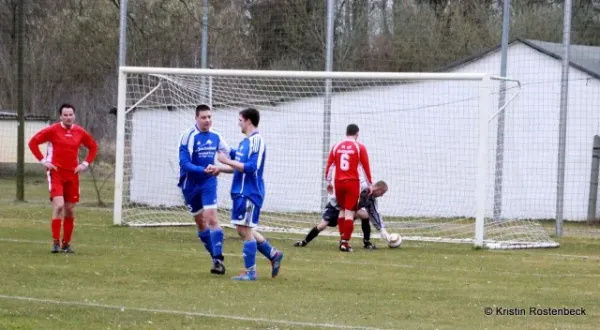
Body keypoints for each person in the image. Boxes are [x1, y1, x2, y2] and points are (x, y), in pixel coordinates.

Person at [213, 108, 284, 281]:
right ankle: (273, 254)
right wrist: (219, 168)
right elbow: (237, 168)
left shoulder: (257, 141)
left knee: (245, 230)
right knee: (243, 229)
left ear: (248, 121)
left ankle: (251, 272)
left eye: (240, 120)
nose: (238, 123)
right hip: (240, 192)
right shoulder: (244, 143)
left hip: (250, 192)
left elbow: (252, 168)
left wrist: (226, 160)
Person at [28, 103, 98, 254]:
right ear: (60, 116)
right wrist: (43, 161)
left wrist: (85, 163)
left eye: (70, 115)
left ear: (74, 116)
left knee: (70, 209)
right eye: (65, 115)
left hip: (72, 174)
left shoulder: (80, 132)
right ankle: (55, 242)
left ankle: (66, 244)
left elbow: (93, 147)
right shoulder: (52, 130)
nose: (68, 117)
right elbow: (33, 142)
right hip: (56, 173)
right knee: (59, 206)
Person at [178, 104, 230, 275]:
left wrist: (243, 159)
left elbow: (229, 153)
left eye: (209, 117)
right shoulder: (188, 136)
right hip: (190, 185)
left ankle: (218, 261)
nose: (208, 120)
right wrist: (202, 170)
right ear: (196, 118)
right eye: (204, 117)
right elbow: (184, 163)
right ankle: (214, 257)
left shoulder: (216, 136)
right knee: (200, 223)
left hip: (208, 182)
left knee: (212, 217)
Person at [294, 180, 389, 249]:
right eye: (382, 192)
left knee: (365, 216)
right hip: (335, 206)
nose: (382, 195)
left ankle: (366, 242)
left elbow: (375, 213)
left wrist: (382, 229)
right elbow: (346, 189)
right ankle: (304, 241)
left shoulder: (371, 199)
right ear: (379, 189)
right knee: (323, 225)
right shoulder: (363, 186)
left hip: (347, 209)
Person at [325, 124, 373, 252]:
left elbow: (330, 166)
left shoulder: (336, 146)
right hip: (352, 182)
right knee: (349, 213)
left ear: (346, 133)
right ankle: (345, 243)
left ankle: (342, 239)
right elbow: (365, 167)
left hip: (338, 182)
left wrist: (328, 182)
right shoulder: (359, 147)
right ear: (357, 134)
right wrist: (370, 185)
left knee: (341, 210)